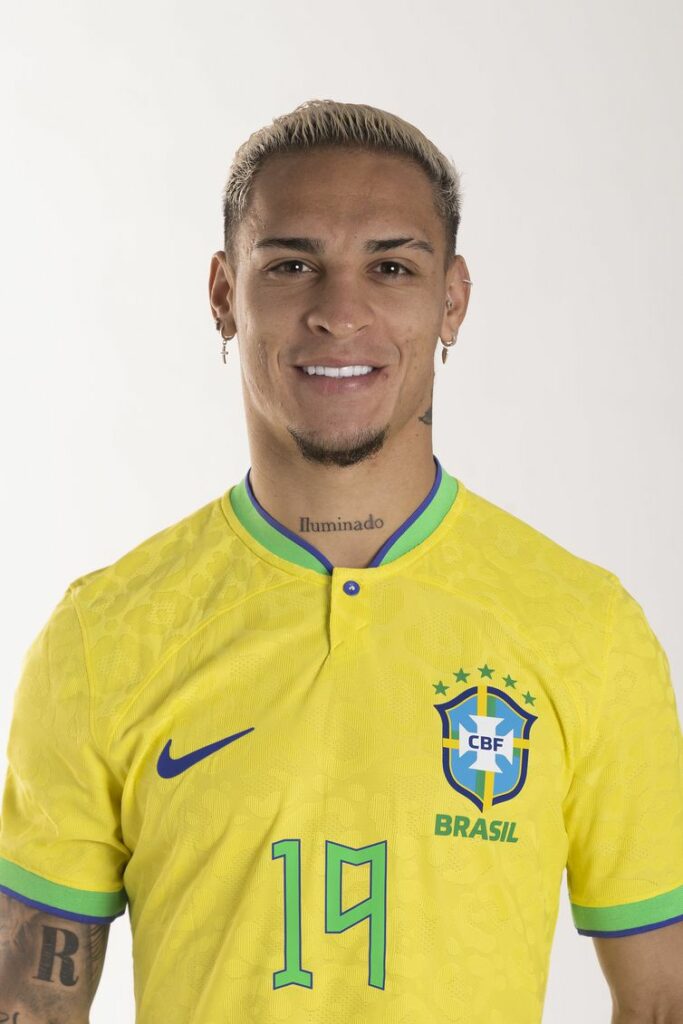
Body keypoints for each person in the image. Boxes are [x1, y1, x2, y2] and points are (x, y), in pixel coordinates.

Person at [0, 99, 681, 1024]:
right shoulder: (101, 636)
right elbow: (28, 1006)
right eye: (291, 265)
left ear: (451, 301)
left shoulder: (587, 627)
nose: (339, 312)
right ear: (222, 294)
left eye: (391, 267)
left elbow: (662, 997)